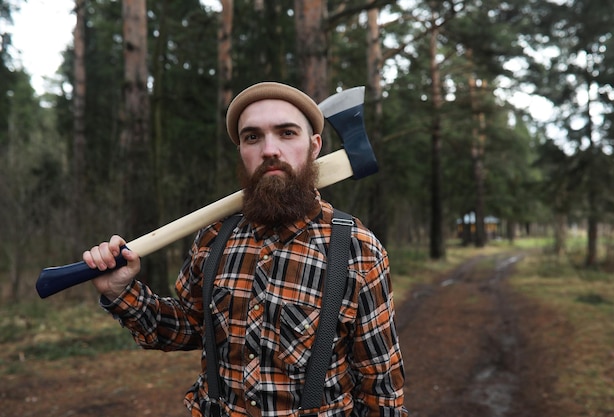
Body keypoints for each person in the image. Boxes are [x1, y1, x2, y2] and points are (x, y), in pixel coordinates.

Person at [83, 82, 407, 417]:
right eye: (252, 137)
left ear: (314, 147)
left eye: (286, 133)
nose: (269, 150)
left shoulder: (357, 250)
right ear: (242, 151)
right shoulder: (214, 238)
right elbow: (188, 328)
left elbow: (380, 388)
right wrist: (122, 293)